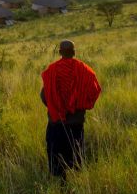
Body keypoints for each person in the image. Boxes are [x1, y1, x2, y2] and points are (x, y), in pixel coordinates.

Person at [40, 40, 101, 178]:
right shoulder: (84, 70)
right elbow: (94, 90)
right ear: (74, 52)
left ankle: (60, 181)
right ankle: (78, 177)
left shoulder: (51, 70)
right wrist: (81, 105)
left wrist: (55, 107)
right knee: (76, 151)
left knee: (56, 153)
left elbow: (44, 96)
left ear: (60, 52)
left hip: (56, 121)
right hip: (76, 121)